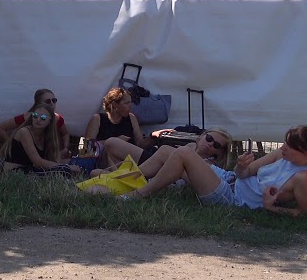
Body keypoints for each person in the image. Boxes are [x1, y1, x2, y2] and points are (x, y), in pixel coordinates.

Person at [128, 126, 307, 216]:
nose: (282, 147)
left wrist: (271, 208)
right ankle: (121, 181)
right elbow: (244, 173)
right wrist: (241, 166)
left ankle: (137, 195)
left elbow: (302, 214)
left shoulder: (302, 178)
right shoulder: (280, 155)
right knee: (168, 151)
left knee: (183, 153)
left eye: (289, 145)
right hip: (230, 180)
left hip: (232, 199)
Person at [95, 127, 232, 179]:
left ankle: (121, 179)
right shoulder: (190, 145)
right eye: (209, 138)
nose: (209, 143)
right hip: (153, 162)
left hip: (160, 175)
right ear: (202, 135)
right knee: (111, 143)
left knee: (95, 173)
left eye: (216, 145)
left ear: (219, 153)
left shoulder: (208, 167)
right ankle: (121, 178)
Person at [0, 104, 81, 176]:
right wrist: (67, 167)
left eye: (43, 118)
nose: (38, 119)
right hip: (15, 171)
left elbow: (51, 160)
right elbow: (38, 162)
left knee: (72, 166)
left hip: (30, 169)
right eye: (35, 115)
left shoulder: (46, 135)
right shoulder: (24, 132)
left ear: (50, 121)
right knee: (64, 171)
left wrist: (73, 163)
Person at [0, 89, 71, 158]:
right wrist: (10, 146)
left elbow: (65, 134)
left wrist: (65, 148)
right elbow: (0, 128)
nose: (52, 103)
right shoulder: (28, 117)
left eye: (54, 100)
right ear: (39, 103)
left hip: (48, 155)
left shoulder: (58, 118)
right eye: (48, 101)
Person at [84, 87, 147, 166]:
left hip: (128, 158)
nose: (130, 106)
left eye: (130, 102)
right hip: (105, 161)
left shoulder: (131, 118)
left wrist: (152, 137)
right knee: (111, 149)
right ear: (115, 105)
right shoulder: (98, 119)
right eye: (126, 103)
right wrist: (116, 141)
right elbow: (86, 148)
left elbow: (140, 143)